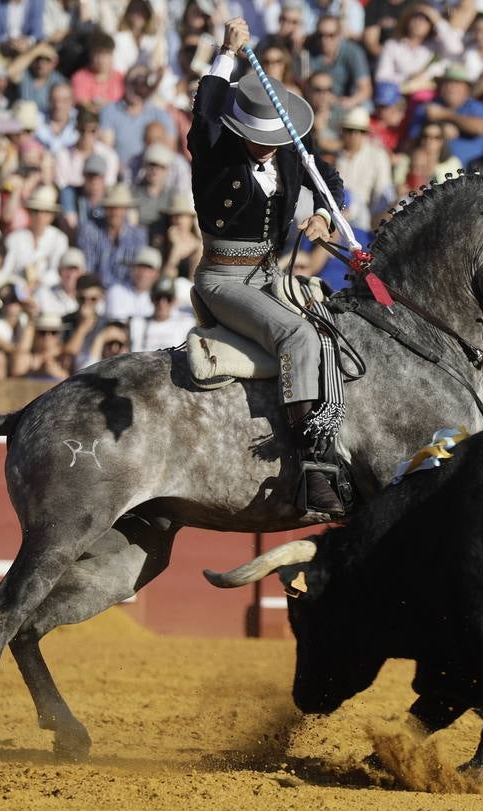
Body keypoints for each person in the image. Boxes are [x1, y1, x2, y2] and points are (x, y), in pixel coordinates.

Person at [189, 17, 346, 515]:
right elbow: (204, 117)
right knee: (297, 337)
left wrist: (322, 215)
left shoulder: (289, 153)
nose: (269, 144)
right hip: (224, 278)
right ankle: (309, 462)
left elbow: (330, 181)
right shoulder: (215, 153)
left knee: (336, 326)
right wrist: (226, 54)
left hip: (271, 274)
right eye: (261, 136)